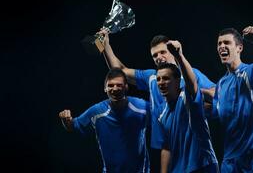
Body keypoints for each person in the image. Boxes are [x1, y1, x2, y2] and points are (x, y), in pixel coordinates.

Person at [99, 28, 216, 172]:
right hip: (167, 145)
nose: (159, 57)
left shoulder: (191, 75)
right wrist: (105, 46)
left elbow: (217, 95)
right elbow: (120, 71)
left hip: (196, 152)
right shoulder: (152, 78)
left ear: (172, 52)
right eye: (155, 55)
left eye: (163, 52)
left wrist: (195, 105)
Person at [211, 26, 253, 172]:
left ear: (239, 48)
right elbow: (217, 113)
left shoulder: (250, 72)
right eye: (219, 44)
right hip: (231, 158)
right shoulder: (221, 84)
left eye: (226, 43)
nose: (222, 46)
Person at [59, 68, 150, 173]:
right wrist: (65, 120)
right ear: (105, 88)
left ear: (126, 87)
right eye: (110, 85)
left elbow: (162, 117)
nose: (115, 89)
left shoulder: (141, 107)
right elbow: (72, 126)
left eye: (119, 85)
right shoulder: (97, 111)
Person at [156, 42, 219, 172]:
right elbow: (167, 148)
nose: (161, 83)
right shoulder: (162, 116)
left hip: (203, 166)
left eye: (166, 78)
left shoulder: (187, 96)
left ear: (178, 81)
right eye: (158, 79)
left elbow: (192, 82)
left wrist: (179, 56)